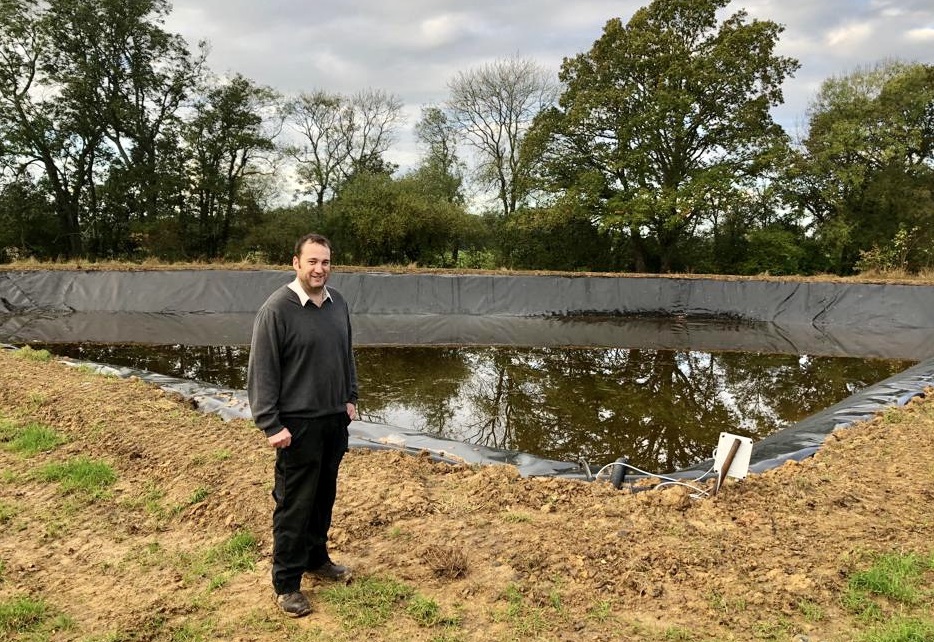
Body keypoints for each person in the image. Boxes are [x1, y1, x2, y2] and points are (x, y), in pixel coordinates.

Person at [247, 232, 359, 618]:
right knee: (294, 504)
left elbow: (346, 353)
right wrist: (270, 423)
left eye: (325, 262)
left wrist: (350, 397)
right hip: (296, 427)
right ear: (295, 263)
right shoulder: (276, 310)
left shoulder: (337, 303)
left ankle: (317, 559)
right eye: (312, 261)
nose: (319, 269)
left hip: (332, 421)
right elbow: (262, 371)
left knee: (323, 497)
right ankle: (287, 583)